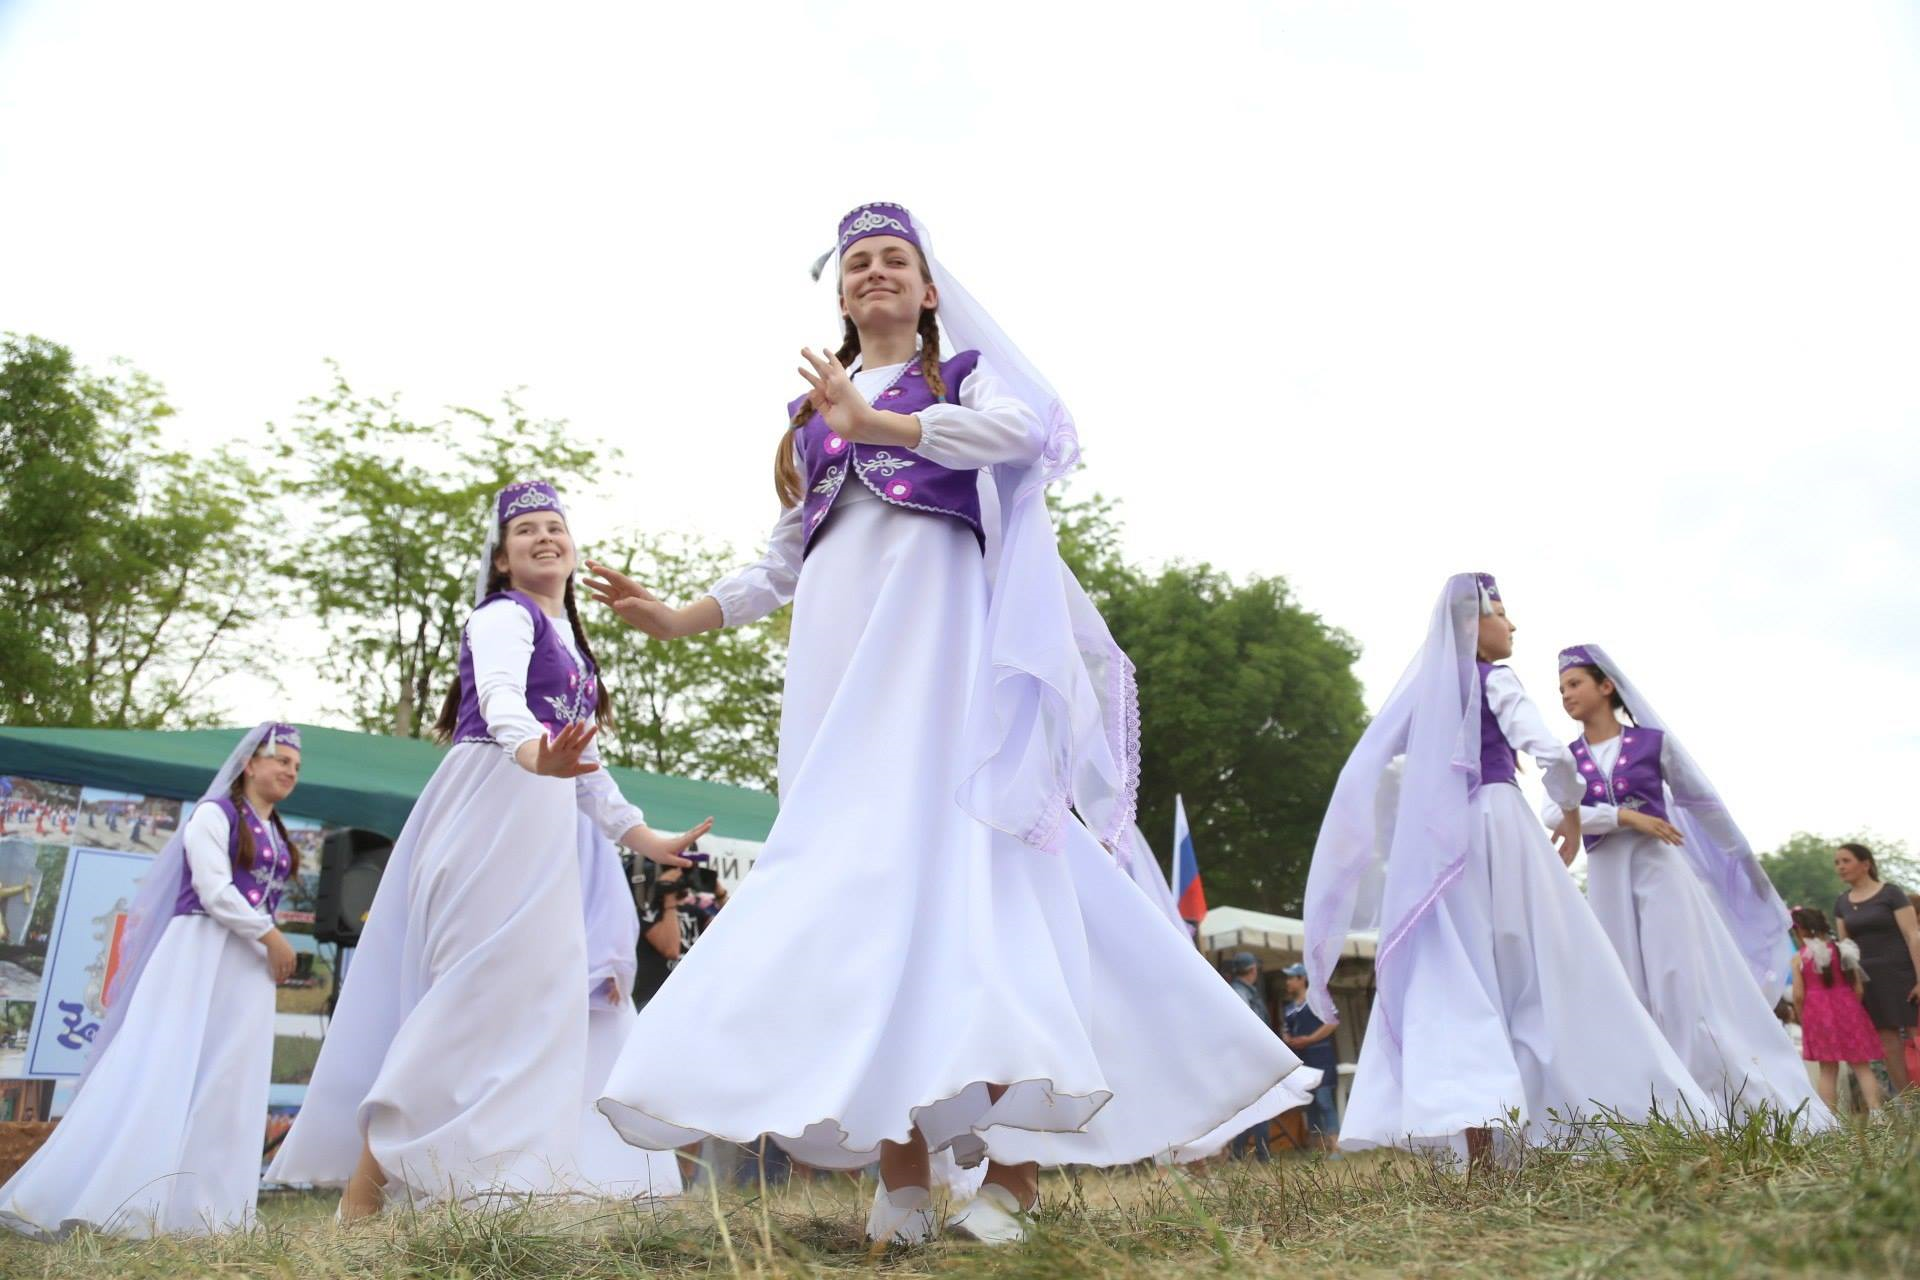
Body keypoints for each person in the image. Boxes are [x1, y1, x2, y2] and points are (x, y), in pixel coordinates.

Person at [588, 202, 1305, 1246]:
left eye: (896, 261)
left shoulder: (964, 383)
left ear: (929, 290)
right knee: (860, 889)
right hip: (841, 667)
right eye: (857, 263)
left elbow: (1034, 432)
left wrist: (880, 423)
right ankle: (907, 1179)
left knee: (978, 883)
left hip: (944, 668)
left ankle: (1012, 1174)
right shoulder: (808, 416)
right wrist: (680, 614)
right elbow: (785, 558)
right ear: (839, 294)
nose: (875, 273)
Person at [266, 481, 708, 1218]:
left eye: (554, 527)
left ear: (572, 547)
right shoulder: (503, 617)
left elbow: (588, 772)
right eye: (526, 530)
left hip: (542, 826)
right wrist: (534, 756)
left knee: (535, 1009)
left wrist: (646, 836)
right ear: (502, 560)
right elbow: (503, 698)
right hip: (488, 812)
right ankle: (363, 1201)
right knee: (466, 1002)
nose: (544, 538)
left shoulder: (571, 643)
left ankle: (499, 1197)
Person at [1303, 574, 1708, 1166]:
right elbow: (1546, 751)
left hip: (1445, 843)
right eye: (1503, 614)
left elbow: (1371, 761)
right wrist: (1570, 811)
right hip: (1501, 824)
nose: (1512, 627)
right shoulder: (1496, 678)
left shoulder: (1426, 696)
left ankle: (1484, 1149)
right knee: (1545, 970)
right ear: (1475, 623)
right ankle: (1587, 1117)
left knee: (1468, 978)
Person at [0, 724, 303, 1238]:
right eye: (281, 761)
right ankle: (116, 1201)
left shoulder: (276, 831)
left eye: (296, 767)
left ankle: (206, 1213)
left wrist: (265, 941)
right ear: (250, 763)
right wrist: (270, 936)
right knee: (163, 1066)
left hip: (245, 967)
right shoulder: (214, 815)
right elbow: (213, 888)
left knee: (229, 1080)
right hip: (199, 952)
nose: (289, 772)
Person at [1546, 647, 1829, 1126]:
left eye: (1574, 684)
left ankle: (1708, 1101)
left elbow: (1702, 801)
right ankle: (1652, 1104)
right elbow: (1553, 813)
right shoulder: (1567, 760)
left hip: (1660, 869)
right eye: (1561, 690)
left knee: (1678, 979)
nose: (1566, 696)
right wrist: (1623, 815)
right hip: (1608, 877)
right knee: (1625, 983)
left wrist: (1742, 865)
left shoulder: (1653, 744)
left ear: (1606, 686)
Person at [1832, 841, 1920, 1095]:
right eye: (1837, 863)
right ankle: (1909, 1104)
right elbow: (1846, 946)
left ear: (1865, 864)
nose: (1840, 867)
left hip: (1903, 973)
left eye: (1845, 861)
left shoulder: (1891, 893)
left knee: (1916, 1034)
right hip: (1869, 980)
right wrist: (1852, 985)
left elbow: (1912, 935)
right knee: (1888, 1042)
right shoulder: (1842, 903)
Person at [1789, 907, 1884, 1112]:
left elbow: (1798, 995)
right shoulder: (1844, 950)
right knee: (1861, 1065)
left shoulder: (1799, 958)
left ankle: (1830, 1121)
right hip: (1848, 1009)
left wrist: (1801, 1016)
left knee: (1827, 1069)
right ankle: (1877, 1114)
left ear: (1801, 931)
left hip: (1817, 1014)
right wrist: (1850, 1008)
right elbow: (1857, 988)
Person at [1279, 963, 1341, 1150]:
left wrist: (1310, 1039)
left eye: (1291, 978)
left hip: (1321, 1057)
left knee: (1324, 1100)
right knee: (1310, 1103)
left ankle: (1334, 1144)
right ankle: (1317, 1146)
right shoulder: (1289, 1008)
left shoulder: (1318, 1000)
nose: (1288, 982)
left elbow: (1333, 1022)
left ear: (1302, 979)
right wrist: (1288, 1039)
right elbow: (1286, 1029)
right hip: (1303, 1059)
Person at [1225, 954, 1273, 1161]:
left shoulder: (1239, 991)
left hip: (1248, 1058)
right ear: (1253, 970)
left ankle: (1239, 1152)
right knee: (1259, 1105)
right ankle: (1261, 1153)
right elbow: (1246, 1026)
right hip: (1250, 1058)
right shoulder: (1240, 993)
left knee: (1253, 1106)